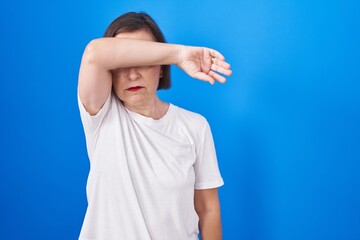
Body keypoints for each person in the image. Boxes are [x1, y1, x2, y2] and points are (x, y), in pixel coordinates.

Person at [77, 11, 232, 240]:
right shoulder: (101, 114)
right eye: (122, 62)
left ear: (161, 68)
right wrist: (179, 53)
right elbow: (94, 53)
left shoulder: (195, 126)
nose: (132, 74)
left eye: (144, 61)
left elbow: (208, 209)